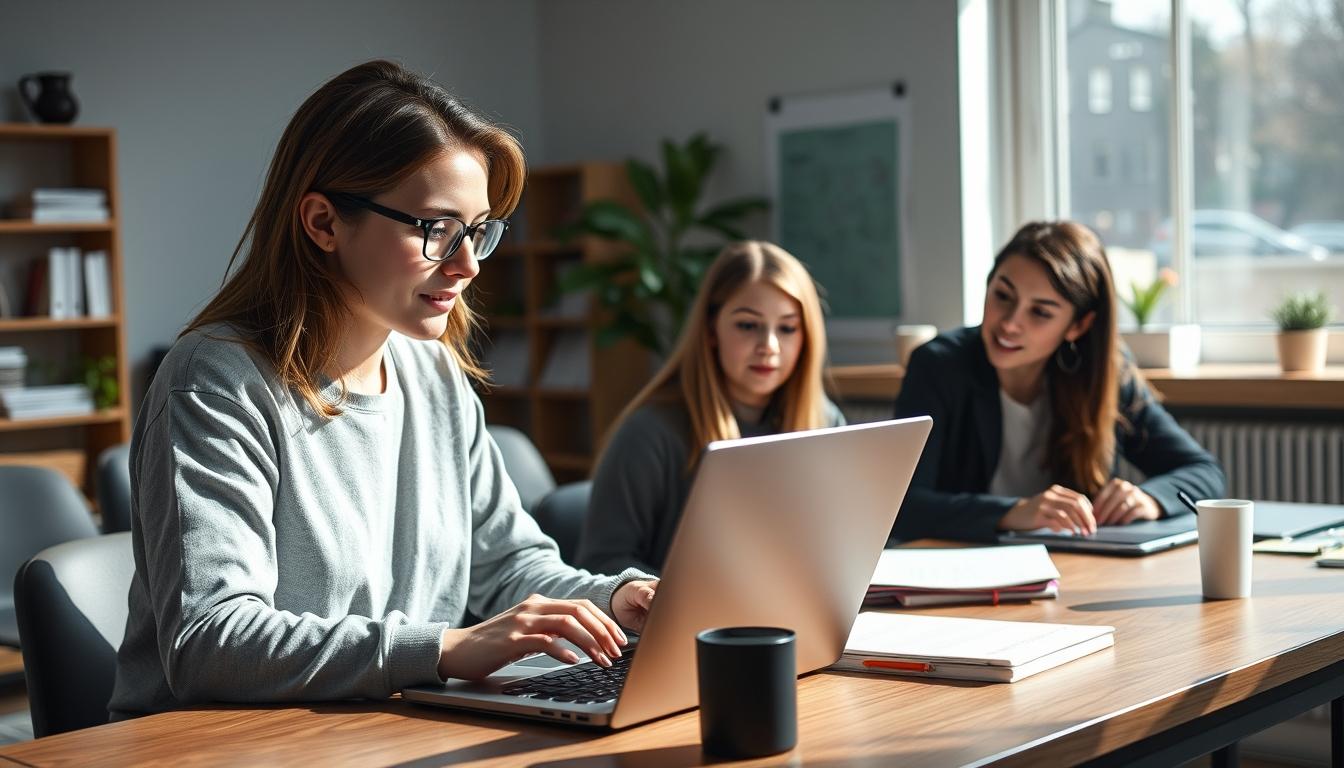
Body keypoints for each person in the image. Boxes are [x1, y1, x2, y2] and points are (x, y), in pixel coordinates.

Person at [109, 60, 656, 720]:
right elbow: (211, 641)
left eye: (478, 230)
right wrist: (443, 650)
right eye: (436, 229)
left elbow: (509, 564)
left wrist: (615, 600)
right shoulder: (216, 382)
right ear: (323, 223)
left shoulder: (435, 374)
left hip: (379, 728)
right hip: (216, 747)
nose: (468, 264)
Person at [891, 221, 1224, 543]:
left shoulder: (1105, 373)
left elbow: (1204, 472)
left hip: (1076, 565)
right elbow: (902, 507)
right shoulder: (938, 366)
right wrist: (1013, 512)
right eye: (1003, 296)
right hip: (965, 564)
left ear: (1078, 326)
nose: (1010, 323)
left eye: (1040, 312)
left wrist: (1149, 499)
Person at [577, 241, 845, 575]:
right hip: (685, 610)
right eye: (748, 325)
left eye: (788, 328)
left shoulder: (826, 422)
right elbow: (600, 564)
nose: (769, 346)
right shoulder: (649, 434)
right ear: (711, 330)